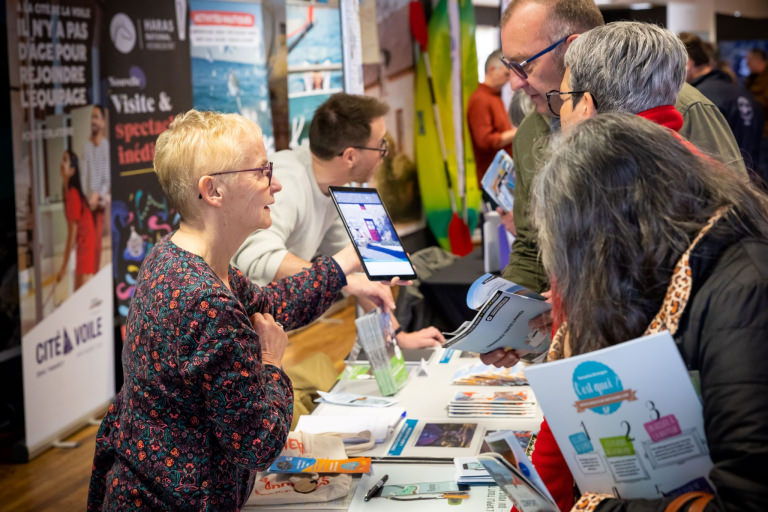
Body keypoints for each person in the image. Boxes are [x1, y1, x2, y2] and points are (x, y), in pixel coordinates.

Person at [87, 110, 394, 511]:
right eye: (261, 172)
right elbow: (258, 445)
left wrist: (344, 265)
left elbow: (273, 305)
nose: (276, 184)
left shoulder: (174, 258)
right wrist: (271, 362)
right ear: (213, 190)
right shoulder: (207, 301)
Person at [531, 113, 768, 511]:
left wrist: (601, 508)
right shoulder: (697, 268)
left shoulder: (743, 292)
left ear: (611, 235)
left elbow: (748, 503)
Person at [497, 0, 747, 298]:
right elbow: (530, 246)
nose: (514, 83)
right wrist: (504, 315)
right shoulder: (529, 131)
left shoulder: (678, 108)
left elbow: (733, 231)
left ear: (571, 49)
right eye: (508, 65)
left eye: (525, 64)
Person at [232, 93, 444, 349]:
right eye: (380, 146)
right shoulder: (287, 183)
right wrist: (342, 279)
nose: (383, 155)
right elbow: (257, 257)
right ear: (351, 156)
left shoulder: (332, 187)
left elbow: (356, 273)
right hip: (239, 331)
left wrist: (397, 336)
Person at [681, 33, 764, 176]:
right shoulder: (743, 93)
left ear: (688, 63)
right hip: (753, 185)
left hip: (725, 187)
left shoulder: (698, 100)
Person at [467, 50, 516, 191]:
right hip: (492, 181)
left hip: (502, 177)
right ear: (492, 70)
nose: (508, 80)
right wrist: (516, 132)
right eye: (506, 74)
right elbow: (485, 140)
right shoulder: (480, 99)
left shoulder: (494, 96)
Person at [55, 150, 97, 290]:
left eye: (65, 160)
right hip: (81, 243)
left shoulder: (73, 194)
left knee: (81, 290)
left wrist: (63, 267)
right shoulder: (67, 191)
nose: (62, 163)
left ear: (72, 170)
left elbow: (71, 233)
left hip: (85, 243)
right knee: (78, 288)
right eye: (62, 159)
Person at [80, 104, 110, 269]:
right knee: (87, 245)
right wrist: (89, 195)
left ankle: (96, 275)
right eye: (92, 117)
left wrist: (99, 194)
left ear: (103, 122)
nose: (94, 120)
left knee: (97, 244)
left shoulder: (105, 146)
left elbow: (107, 177)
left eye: (97, 116)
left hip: (99, 201)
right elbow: (84, 176)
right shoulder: (86, 147)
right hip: (88, 202)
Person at [746, 48, 768, 180]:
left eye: (749, 60)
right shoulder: (751, 78)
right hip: (756, 130)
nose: (747, 63)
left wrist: (751, 102)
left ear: (758, 60)